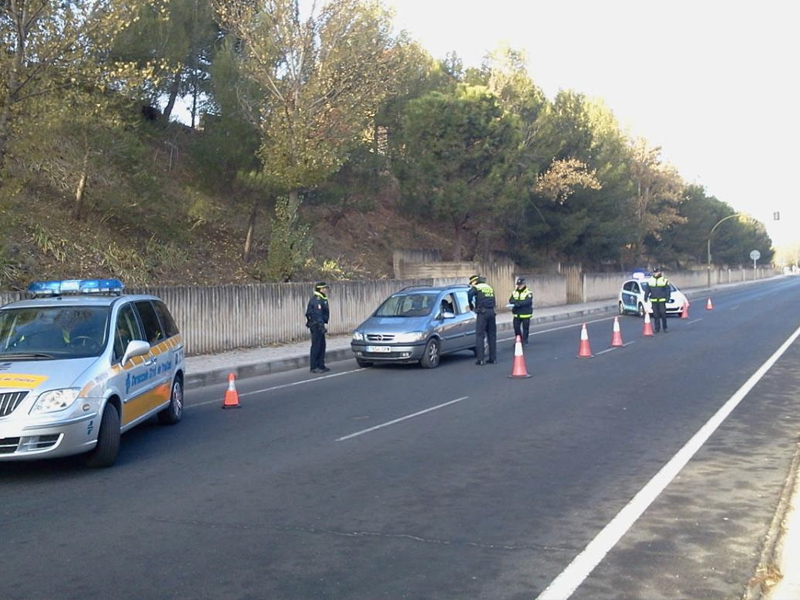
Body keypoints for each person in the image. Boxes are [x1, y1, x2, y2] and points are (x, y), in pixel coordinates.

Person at [468, 274, 497, 365]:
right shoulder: (489, 287)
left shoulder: (477, 287)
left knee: (480, 335)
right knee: (492, 335)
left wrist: (471, 304)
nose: (471, 285)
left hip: (482, 313)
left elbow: (469, 294)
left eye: (471, 283)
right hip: (492, 312)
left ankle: (480, 359)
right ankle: (493, 359)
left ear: (474, 281)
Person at [305, 282, 330, 372]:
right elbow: (317, 314)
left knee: (322, 345)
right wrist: (321, 325)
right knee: (317, 345)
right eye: (325, 288)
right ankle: (314, 366)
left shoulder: (322, 298)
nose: (326, 290)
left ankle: (321, 365)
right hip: (316, 325)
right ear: (321, 289)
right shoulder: (317, 300)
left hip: (319, 324)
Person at [644, 267, 671, 333]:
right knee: (656, 315)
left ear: (659, 272)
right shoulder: (650, 280)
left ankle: (665, 327)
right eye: (654, 272)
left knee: (663, 314)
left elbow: (667, 290)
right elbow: (647, 290)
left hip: (662, 300)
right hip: (654, 300)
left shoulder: (664, 280)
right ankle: (657, 328)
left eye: (657, 272)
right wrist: (645, 297)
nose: (655, 273)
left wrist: (668, 298)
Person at [509, 277, 533, 345]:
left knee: (525, 328)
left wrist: (518, 303)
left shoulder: (528, 292)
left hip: (525, 313)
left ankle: (525, 340)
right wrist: (515, 303)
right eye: (518, 285)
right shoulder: (515, 292)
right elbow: (511, 300)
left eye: (520, 285)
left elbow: (527, 301)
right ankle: (519, 339)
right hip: (517, 313)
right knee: (516, 328)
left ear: (524, 284)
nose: (519, 286)